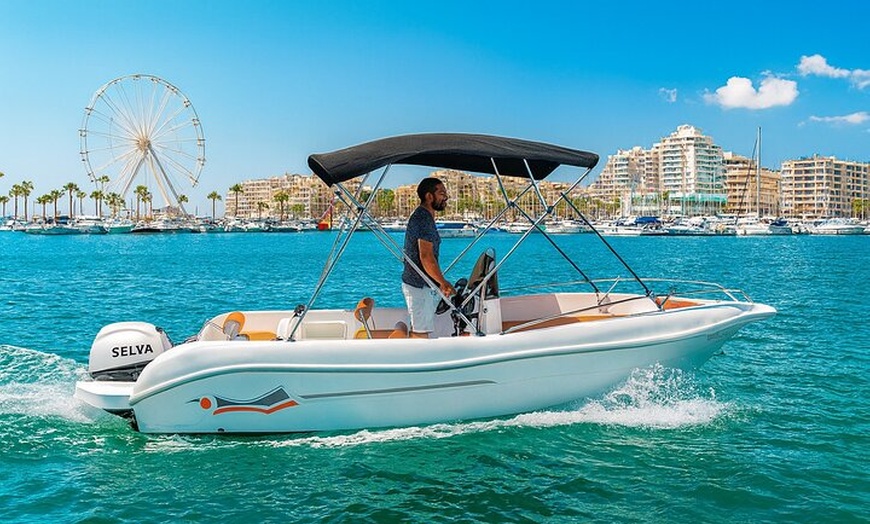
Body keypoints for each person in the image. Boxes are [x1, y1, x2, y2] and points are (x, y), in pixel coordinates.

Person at [402, 177, 455, 338]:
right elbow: (426, 257)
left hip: (420, 285)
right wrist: (443, 283)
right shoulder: (423, 219)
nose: (445, 197)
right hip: (418, 286)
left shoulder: (424, 217)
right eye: (442, 193)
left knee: (420, 327)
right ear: (429, 196)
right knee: (420, 332)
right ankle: (418, 360)